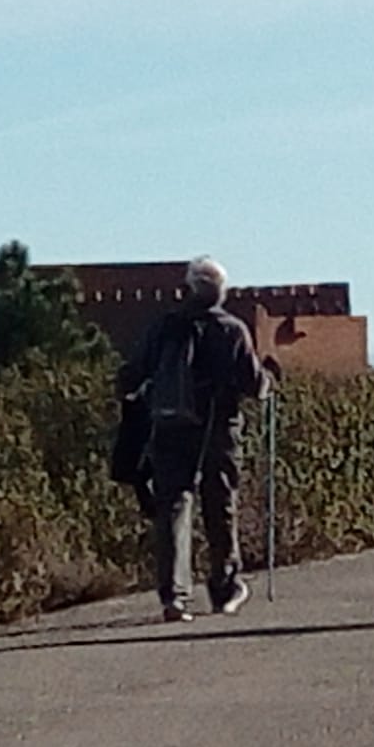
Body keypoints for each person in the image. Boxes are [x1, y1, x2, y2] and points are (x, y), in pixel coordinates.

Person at [118, 256, 270, 622]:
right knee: (220, 502)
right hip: (219, 428)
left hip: (170, 423)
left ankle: (174, 595)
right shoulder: (232, 330)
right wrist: (269, 378)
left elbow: (132, 375)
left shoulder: (164, 328)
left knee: (173, 504)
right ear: (220, 292)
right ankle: (225, 587)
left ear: (188, 288)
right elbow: (253, 384)